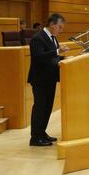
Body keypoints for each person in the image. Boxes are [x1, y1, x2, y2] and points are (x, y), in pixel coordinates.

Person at [28, 14, 69, 146]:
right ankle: (35, 137)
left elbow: (52, 58)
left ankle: (42, 132)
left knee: (47, 108)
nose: (60, 30)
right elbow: (39, 57)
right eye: (59, 27)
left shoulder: (53, 38)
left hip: (50, 78)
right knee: (40, 107)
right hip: (40, 79)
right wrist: (57, 51)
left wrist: (64, 59)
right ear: (52, 24)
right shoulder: (38, 38)